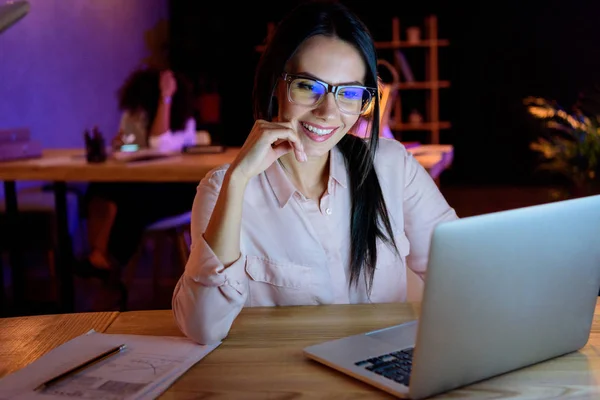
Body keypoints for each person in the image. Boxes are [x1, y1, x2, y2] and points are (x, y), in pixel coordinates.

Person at [172, 0, 459, 345]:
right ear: (277, 84)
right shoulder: (224, 188)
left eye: (350, 93)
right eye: (308, 87)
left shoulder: (391, 166)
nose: (328, 112)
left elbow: (461, 270)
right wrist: (237, 181)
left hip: (381, 372)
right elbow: (204, 327)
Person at [77, 67, 199, 283]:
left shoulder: (184, 121)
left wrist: (165, 97)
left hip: (177, 191)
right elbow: (128, 145)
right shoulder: (138, 115)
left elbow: (159, 144)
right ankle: (99, 255)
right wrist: (120, 145)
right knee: (100, 187)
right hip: (144, 183)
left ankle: (109, 259)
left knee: (130, 200)